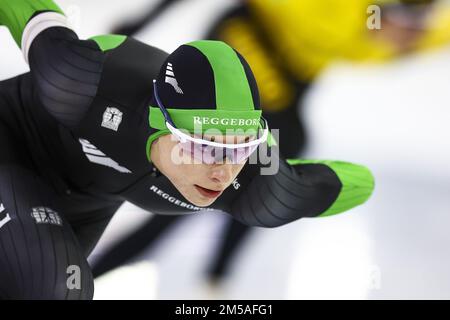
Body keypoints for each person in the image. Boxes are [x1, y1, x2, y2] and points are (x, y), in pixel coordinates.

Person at [0, 0, 374, 300]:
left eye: (243, 149)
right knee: (56, 287)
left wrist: (369, 183)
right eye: (208, 149)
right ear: (163, 123)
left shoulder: (253, 186)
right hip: (11, 141)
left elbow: (338, 185)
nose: (225, 173)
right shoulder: (83, 81)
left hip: (84, 203)